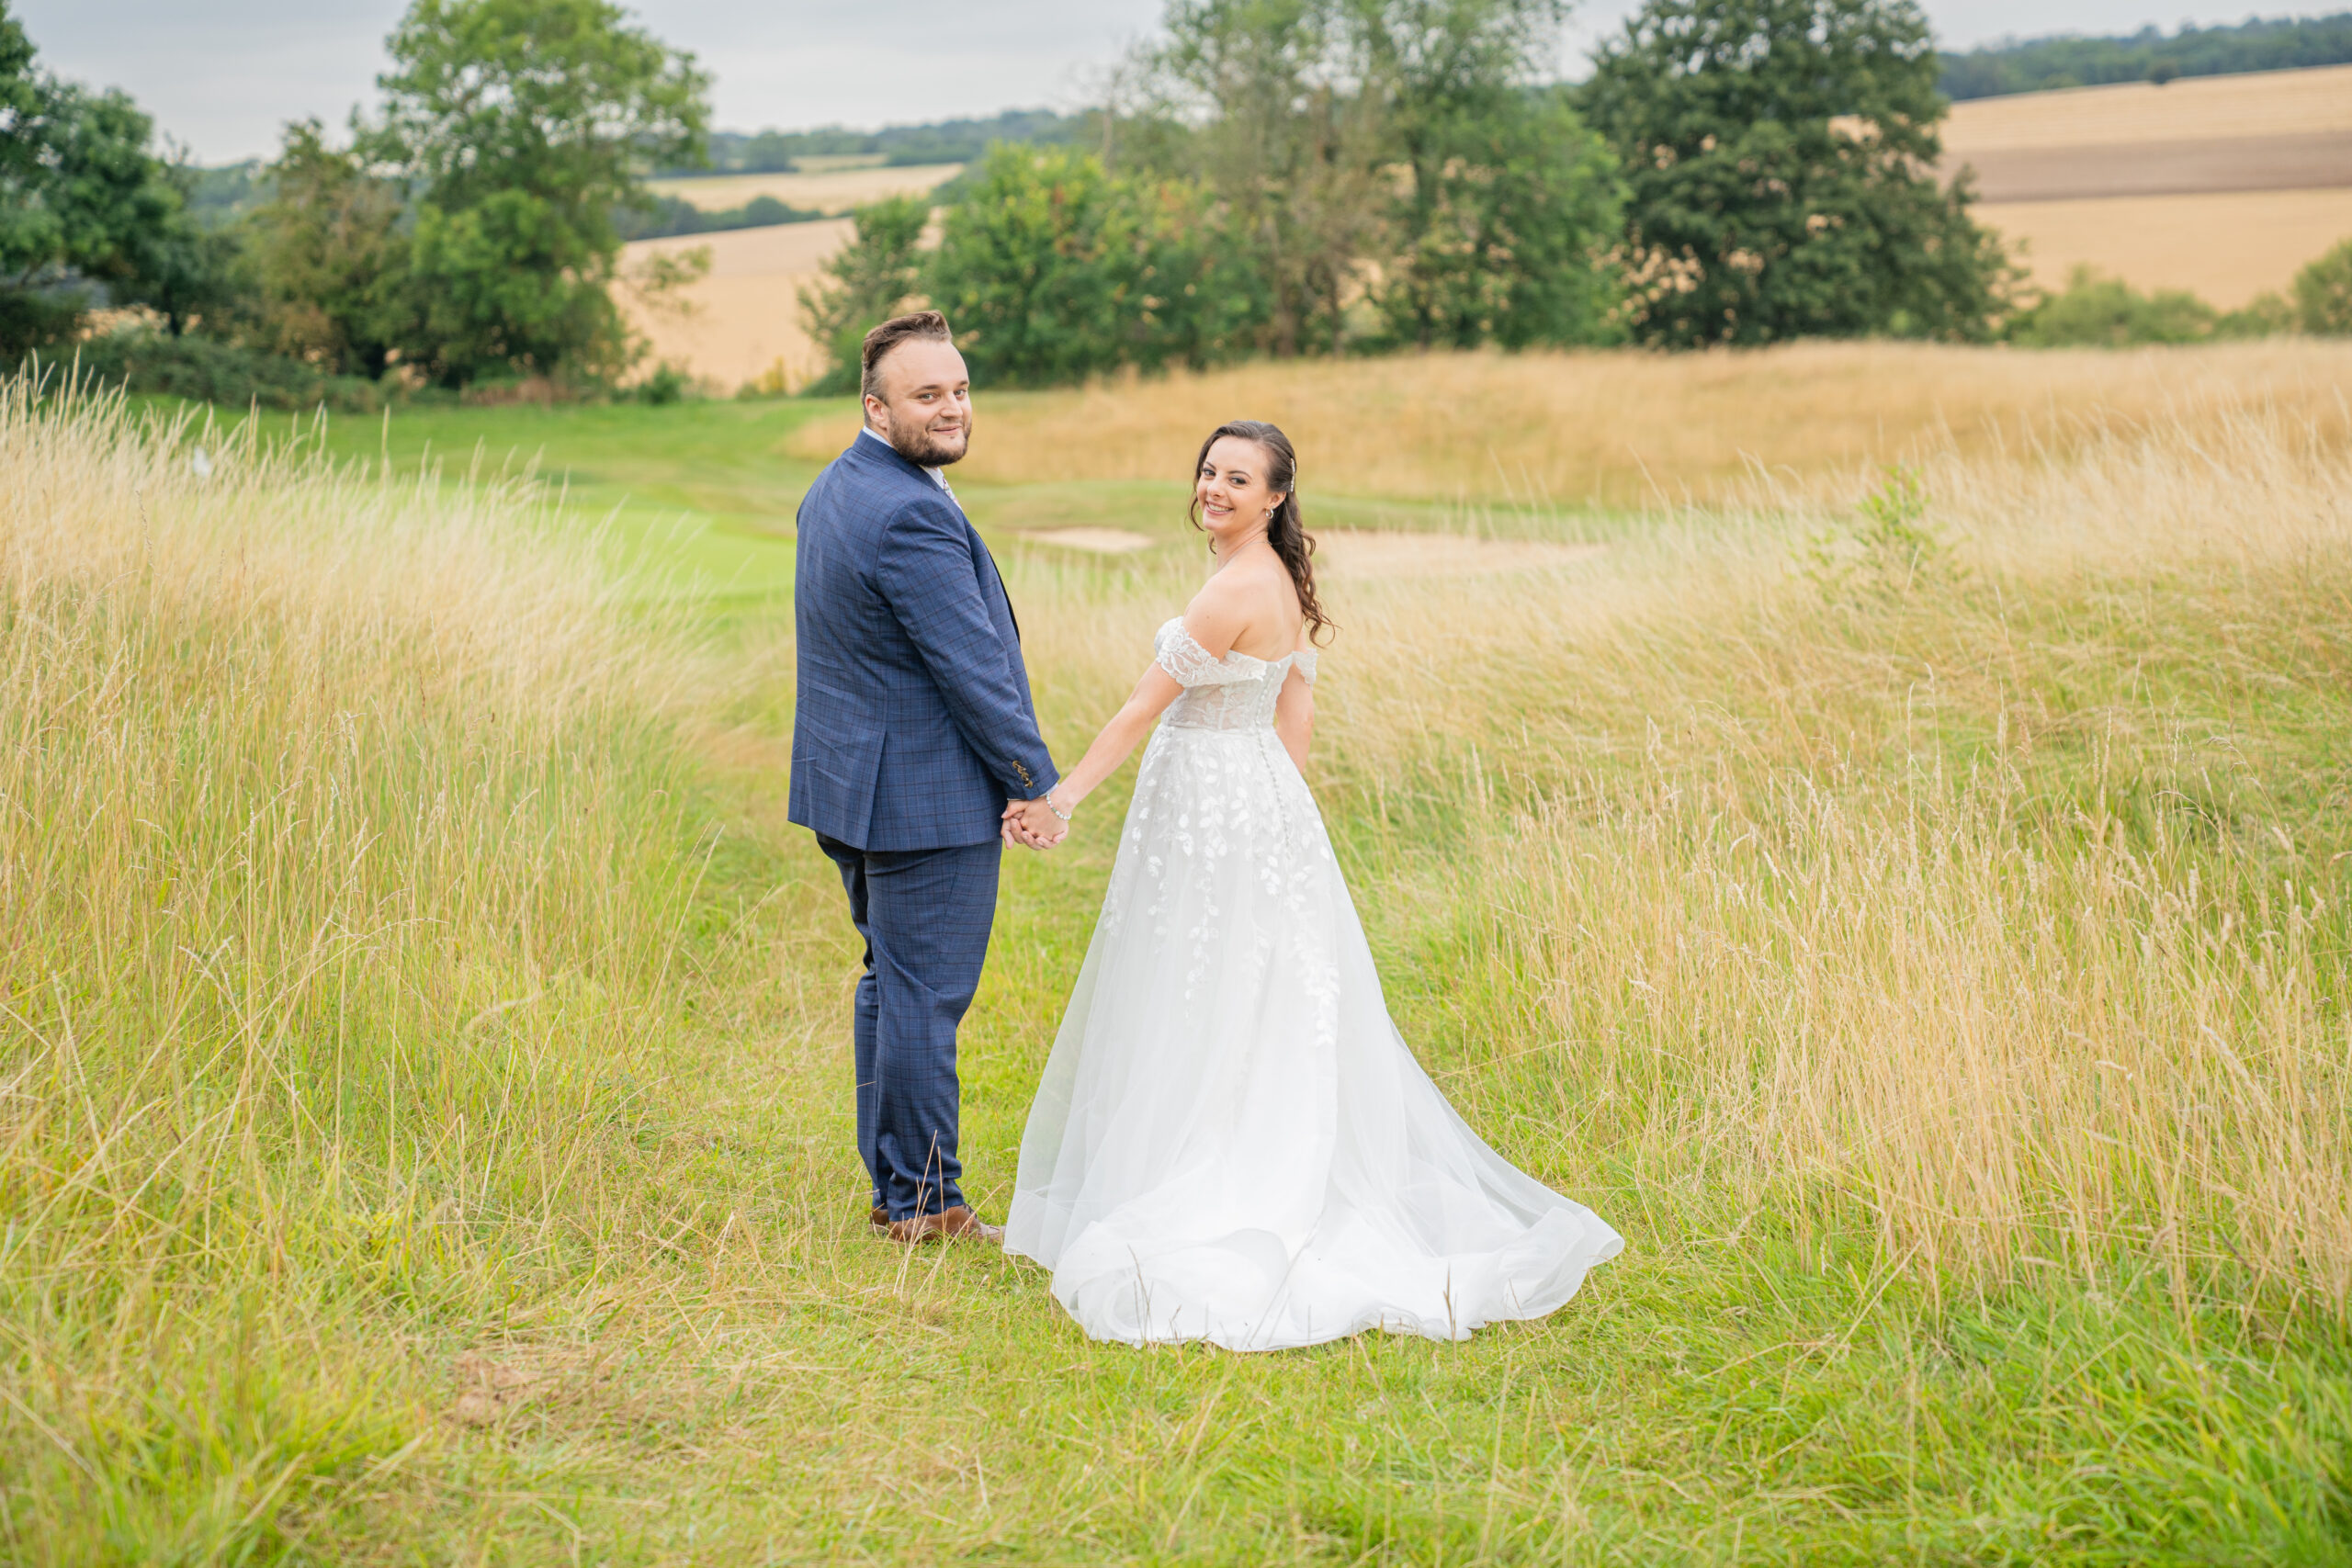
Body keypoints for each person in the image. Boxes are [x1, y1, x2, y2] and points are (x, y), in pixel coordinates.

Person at [1002, 420, 1622, 1349]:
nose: (1214, 487)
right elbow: (1297, 708)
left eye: (1238, 478)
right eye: (1209, 470)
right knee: (1254, 984)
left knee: (1200, 979)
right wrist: (1289, 827)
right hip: (1257, 803)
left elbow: (1140, 709)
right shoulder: (1282, 583)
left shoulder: (1233, 590)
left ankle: (1210, 1165)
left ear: (1275, 497)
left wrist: (1061, 801)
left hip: (1212, 800)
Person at [790, 310, 1065, 1247]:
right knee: (922, 998)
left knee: (892, 984)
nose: (952, 409)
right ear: (876, 405)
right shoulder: (906, 509)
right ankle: (921, 1202)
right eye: (926, 395)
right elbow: (974, 667)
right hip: (917, 799)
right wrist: (1033, 779)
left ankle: (897, 1186)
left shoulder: (840, 485)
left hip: (855, 784)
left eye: (959, 389)